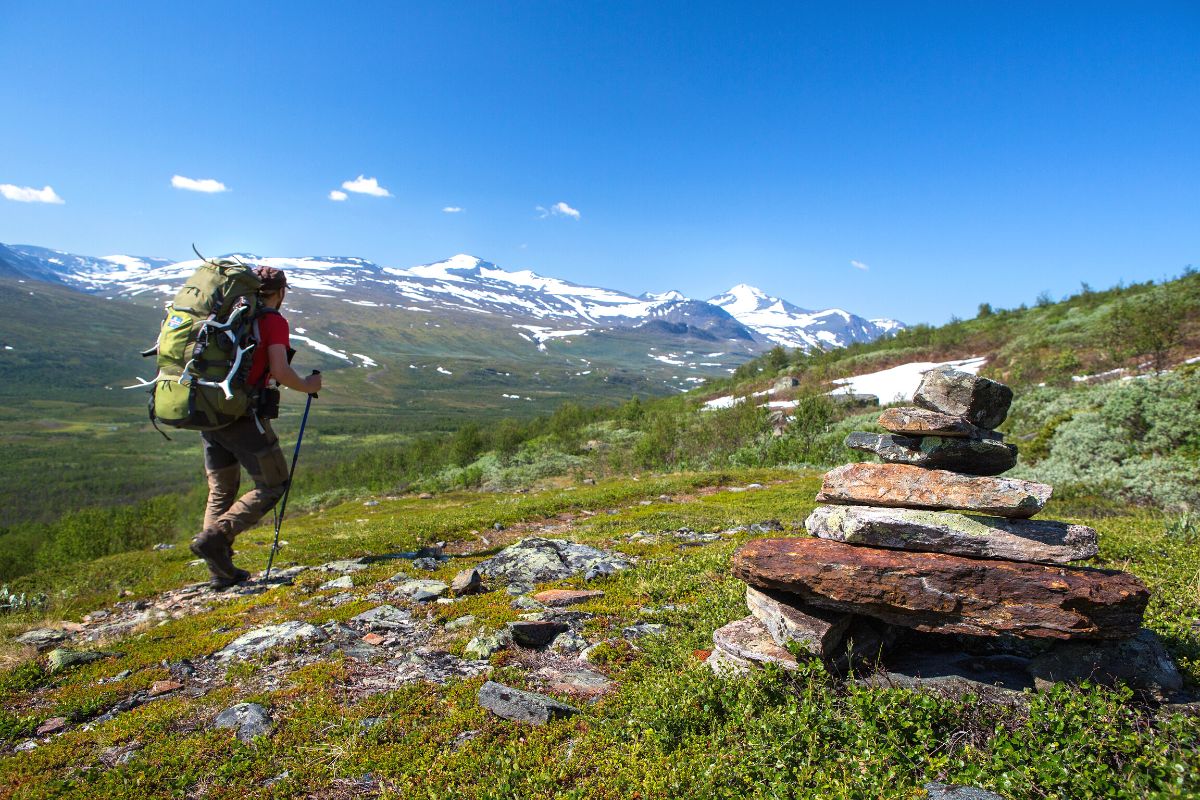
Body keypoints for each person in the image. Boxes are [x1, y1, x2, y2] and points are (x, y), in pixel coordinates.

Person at [189, 266, 322, 589]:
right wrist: (308, 384)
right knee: (274, 483)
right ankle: (217, 538)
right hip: (243, 415)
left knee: (221, 489)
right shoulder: (271, 320)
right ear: (280, 292)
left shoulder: (225, 314)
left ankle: (220, 570)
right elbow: (281, 369)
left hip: (210, 411)